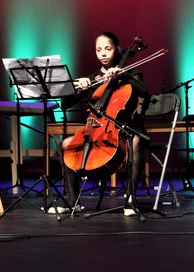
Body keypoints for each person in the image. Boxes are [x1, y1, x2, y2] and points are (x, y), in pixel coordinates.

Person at [60, 32, 148, 216]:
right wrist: (77, 89)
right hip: (97, 132)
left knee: (137, 142)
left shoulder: (131, 72)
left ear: (117, 49)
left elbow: (144, 92)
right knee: (66, 144)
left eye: (107, 49)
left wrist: (123, 75)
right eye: (98, 50)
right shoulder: (94, 78)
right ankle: (72, 201)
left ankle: (130, 199)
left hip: (125, 130)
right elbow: (65, 104)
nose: (103, 53)